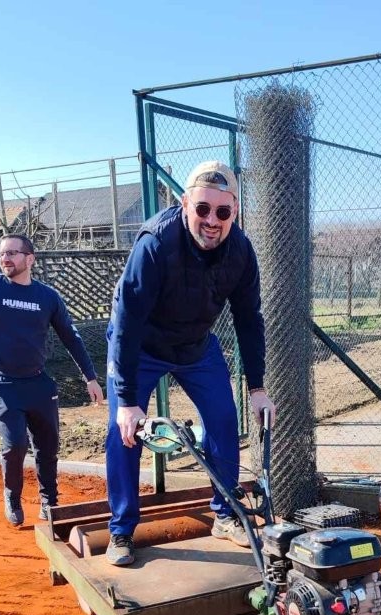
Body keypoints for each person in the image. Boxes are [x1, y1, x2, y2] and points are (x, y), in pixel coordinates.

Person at [104, 160, 275, 567]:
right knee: (124, 431)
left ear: (234, 211)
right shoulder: (155, 244)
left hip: (195, 346)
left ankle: (225, 514)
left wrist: (257, 387)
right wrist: (127, 402)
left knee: (223, 420)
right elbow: (127, 322)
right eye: (202, 209)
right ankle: (121, 529)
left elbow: (249, 319)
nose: (212, 220)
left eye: (222, 211)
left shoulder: (241, 252)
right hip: (141, 346)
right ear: (185, 204)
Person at [0, 233, 103, 526]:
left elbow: (71, 337)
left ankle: (49, 502)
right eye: (1, 254)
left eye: (12, 253)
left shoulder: (47, 297)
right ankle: (12, 496)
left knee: (48, 445)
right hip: (1, 382)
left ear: (30, 259)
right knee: (15, 443)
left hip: (37, 381)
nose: (4, 259)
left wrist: (90, 377)